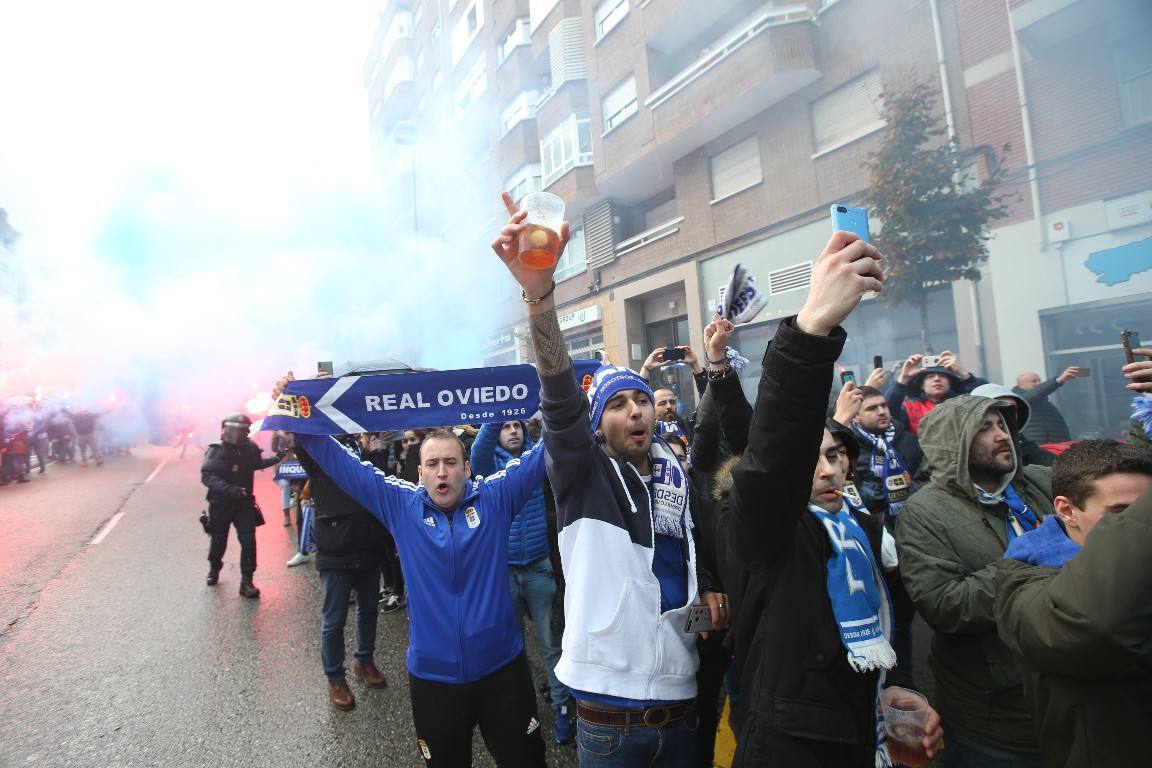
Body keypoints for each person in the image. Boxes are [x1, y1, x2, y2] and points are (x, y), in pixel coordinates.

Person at [492, 191, 726, 767]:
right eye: (617, 404)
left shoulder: (678, 477)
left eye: (641, 401)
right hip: (606, 719)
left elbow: (672, 603)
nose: (636, 412)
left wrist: (710, 606)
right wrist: (539, 297)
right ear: (597, 428)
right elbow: (558, 392)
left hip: (682, 705)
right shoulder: (582, 471)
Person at [713, 230, 942, 767]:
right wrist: (810, 329)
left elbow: (883, 624)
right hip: (791, 744)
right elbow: (768, 465)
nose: (827, 467)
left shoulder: (859, 526)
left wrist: (891, 688)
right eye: (811, 458)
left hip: (859, 730)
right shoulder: (770, 529)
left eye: (836, 454)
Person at [274, 384, 549, 767]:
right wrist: (297, 417)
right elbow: (340, 463)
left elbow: (551, 448)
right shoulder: (401, 504)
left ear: (467, 468)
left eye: (451, 463)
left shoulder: (495, 498)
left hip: (503, 672)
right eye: (433, 464)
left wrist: (570, 396)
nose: (442, 472)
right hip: (434, 682)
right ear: (419, 473)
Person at [896, 395, 1055, 767]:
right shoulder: (925, 513)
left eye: (1003, 425)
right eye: (984, 428)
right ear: (955, 442)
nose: (1001, 435)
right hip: (1000, 717)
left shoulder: (1040, 482)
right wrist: (1024, 559)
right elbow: (945, 606)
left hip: (1078, 696)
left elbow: (1116, 487)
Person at [995, 441, 1152, 767]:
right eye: (1122, 515)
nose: (1134, 528)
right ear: (1067, 510)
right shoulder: (1028, 581)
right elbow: (1093, 626)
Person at [471, 420, 573, 743]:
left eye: (517, 425)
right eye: (506, 427)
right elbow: (478, 450)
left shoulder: (536, 459)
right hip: (505, 572)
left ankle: (563, 710)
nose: (513, 431)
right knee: (513, 650)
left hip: (538, 568)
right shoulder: (489, 467)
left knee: (551, 646)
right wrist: (500, 410)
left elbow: (558, 437)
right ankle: (525, 710)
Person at [294, 438, 392, 711]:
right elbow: (303, 439)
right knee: (334, 620)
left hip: (368, 548)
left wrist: (378, 452)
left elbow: (382, 486)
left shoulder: (366, 452)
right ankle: (335, 678)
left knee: (369, 609)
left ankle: (364, 660)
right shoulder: (320, 457)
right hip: (336, 552)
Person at [201, 413, 282, 598]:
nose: (241, 434)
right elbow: (208, 476)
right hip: (220, 504)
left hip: (243, 505)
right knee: (218, 541)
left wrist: (277, 458)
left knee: (248, 542)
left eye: (244, 430)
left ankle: (247, 581)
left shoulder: (250, 447)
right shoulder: (217, 450)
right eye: (238, 430)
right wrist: (230, 490)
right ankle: (215, 566)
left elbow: (256, 463)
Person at [886, 352, 987, 435]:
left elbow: (988, 401)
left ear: (950, 383)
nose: (937, 379)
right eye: (930, 376)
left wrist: (964, 374)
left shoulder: (964, 405)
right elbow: (888, 411)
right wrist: (903, 379)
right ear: (922, 385)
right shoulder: (909, 410)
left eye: (942, 376)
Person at [971, 383, 1056, 467]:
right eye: (999, 408)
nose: (1007, 414)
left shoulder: (1039, 457)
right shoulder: (964, 465)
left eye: (1012, 409)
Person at [1012, 367, 1080, 445]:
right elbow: (1035, 394)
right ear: (1021, 386)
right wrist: (1059, 380)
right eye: (1034, 381)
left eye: (1039, 380)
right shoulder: (1019, 400)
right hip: (1040, 447)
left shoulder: (1041, 401)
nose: (1039, 383)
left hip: (1055, 446)